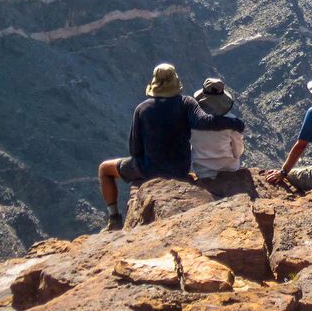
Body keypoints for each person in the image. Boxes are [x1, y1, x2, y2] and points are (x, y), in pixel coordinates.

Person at [98, 64, 245, 231]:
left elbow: (135, 149)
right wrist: (235, 123)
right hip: (179, 169)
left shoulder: (142, 109)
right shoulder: (186, 103)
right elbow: (204, 122)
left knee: (104, 169)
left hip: (148, 169)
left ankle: (114, 218)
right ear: (176, 80)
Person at [190, 78, 244, 179]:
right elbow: (238, 152)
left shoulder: (193, 120)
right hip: (229, 170)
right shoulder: (232, 122)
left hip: (202, 172)